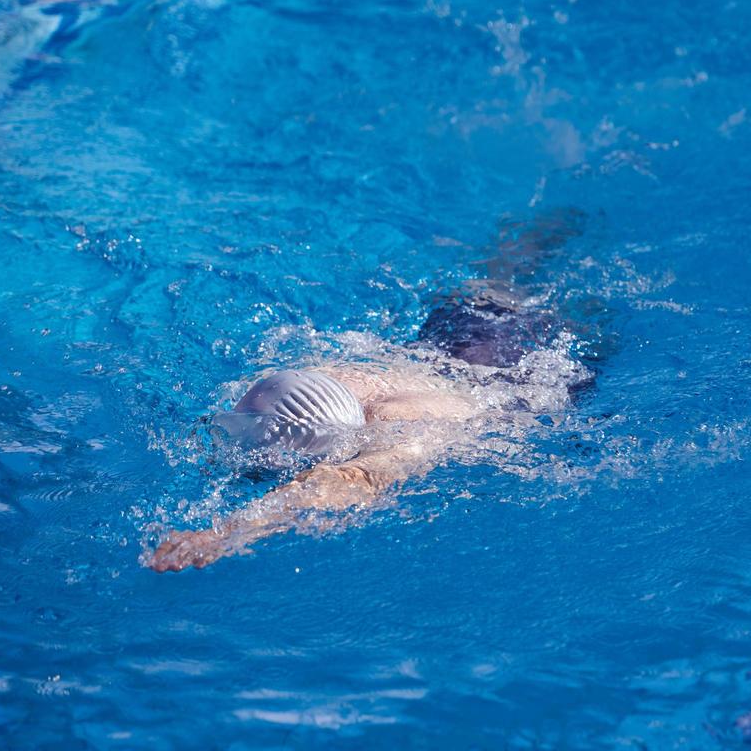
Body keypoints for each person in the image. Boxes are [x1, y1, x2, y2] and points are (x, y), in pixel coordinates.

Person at [147, 211, 592, 572]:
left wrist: (224, 534)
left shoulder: (409, 429)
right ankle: (549, 221)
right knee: (503, 273)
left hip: (527, 371)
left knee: (552, 302)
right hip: (456, 336)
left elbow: (348, 483)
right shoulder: (325, 380)